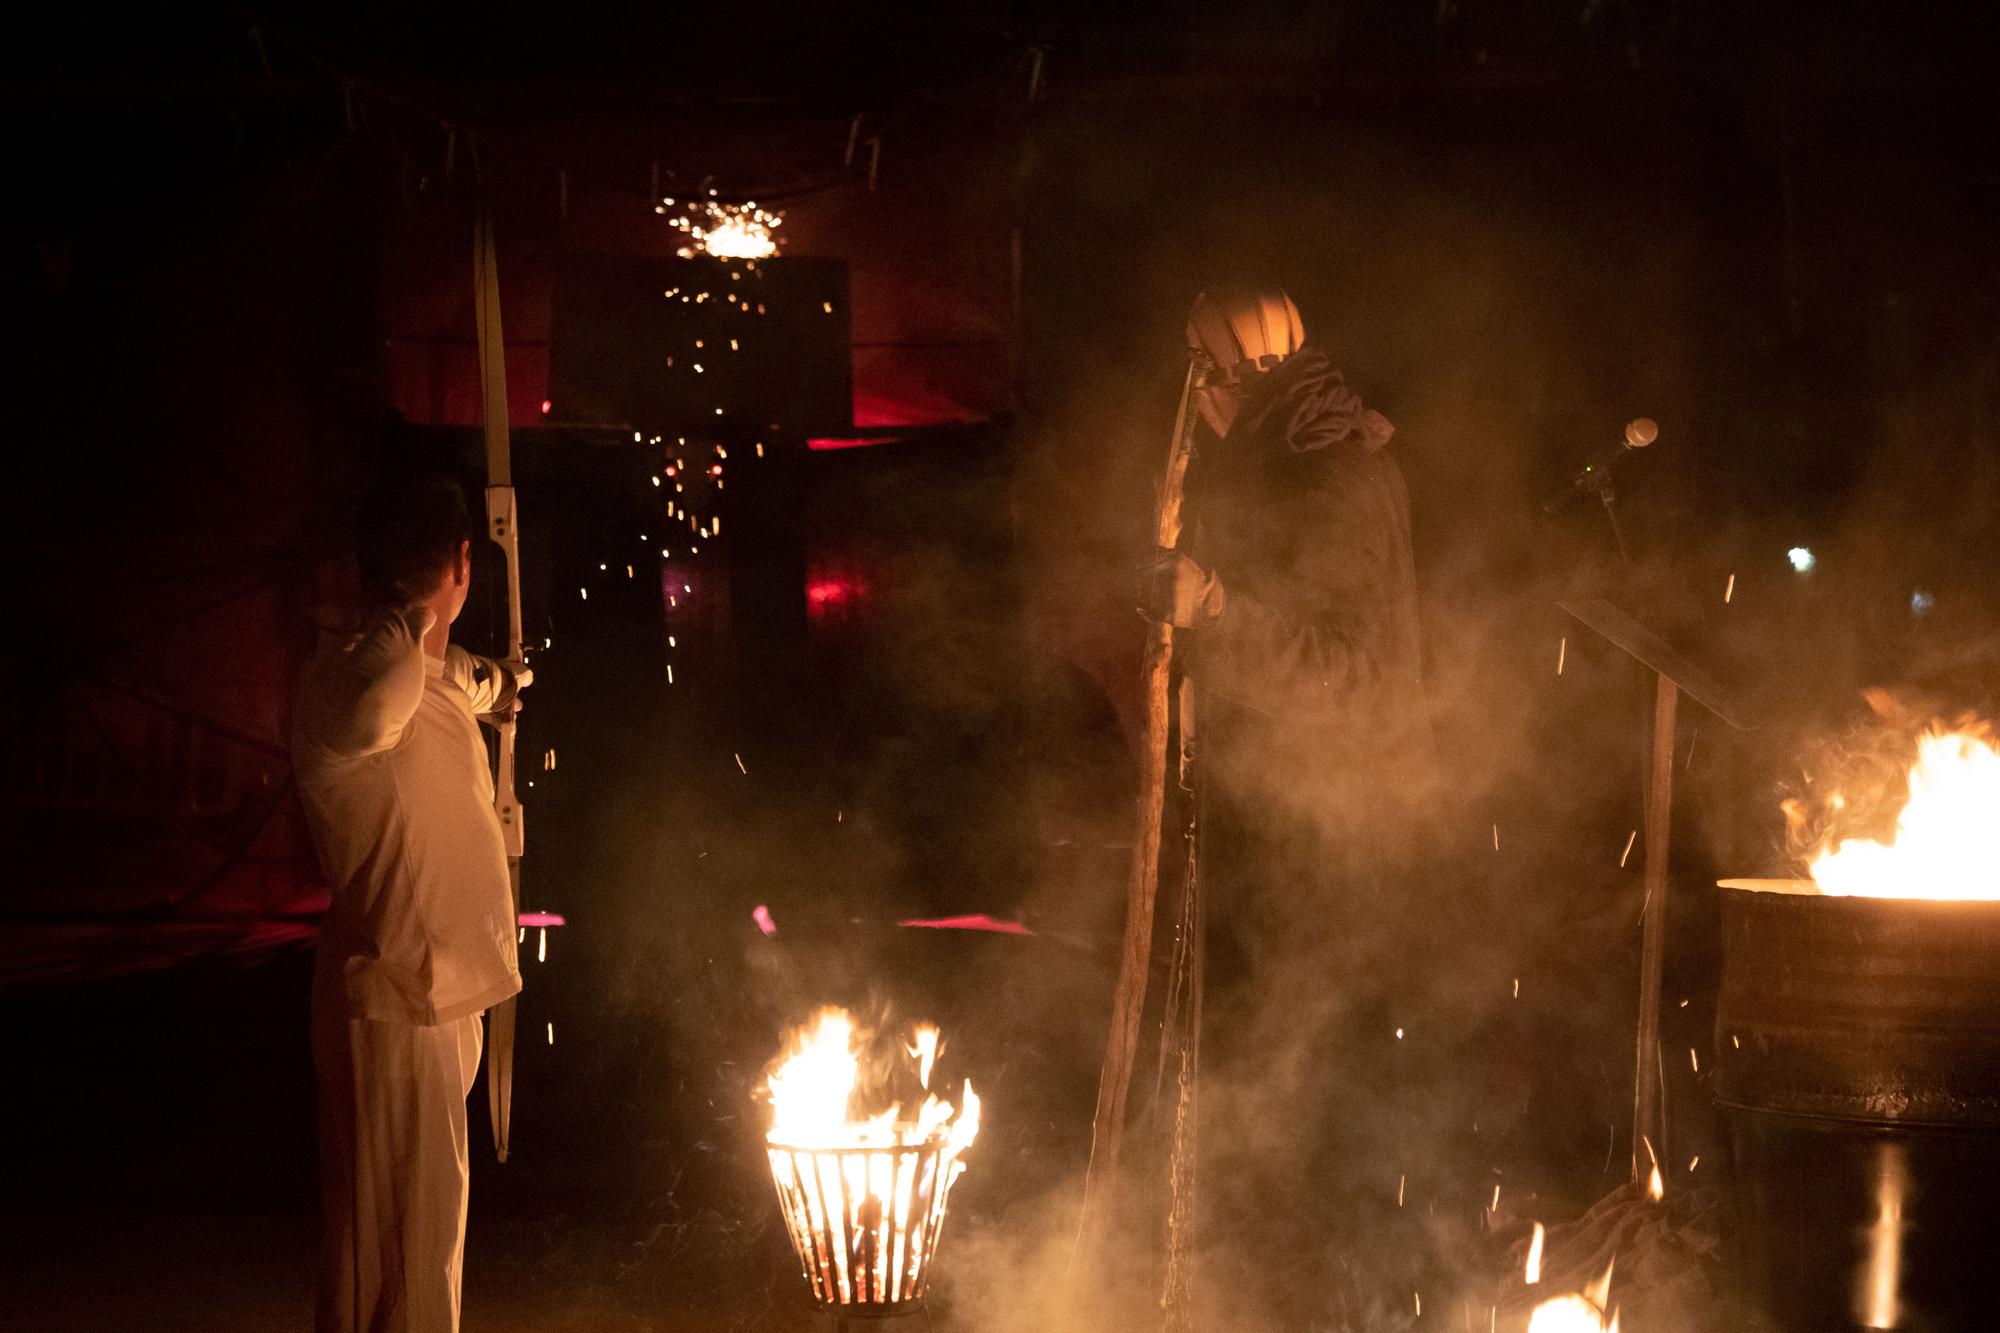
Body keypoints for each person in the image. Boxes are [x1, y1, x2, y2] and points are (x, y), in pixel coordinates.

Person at [1143, 286, 1439, 1327]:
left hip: (1334, 843)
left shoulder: (1334, 480)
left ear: (1244, 375)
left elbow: (1352, 677)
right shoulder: (1291, 464)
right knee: (1281, 1106)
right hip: (1287, 833)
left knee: (1323, 1115)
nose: (1194, 396)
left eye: (1205, 372)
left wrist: (1215, 608)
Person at [293, 472, 530, 1333]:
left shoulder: (410, 672)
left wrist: (495, 683)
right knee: (399, 1260)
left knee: (411, 1249)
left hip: (430, 1005)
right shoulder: (351, 687)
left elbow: (443, 679)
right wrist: (411, 611)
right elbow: (385, 689)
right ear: (464, 562)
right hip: (393, 1005)